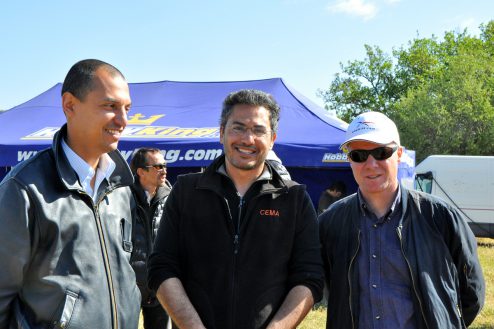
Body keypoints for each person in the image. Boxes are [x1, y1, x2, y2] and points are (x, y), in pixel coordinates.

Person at [148, 89, 324, 329]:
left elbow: (309, 277)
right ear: (222, 133)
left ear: (272, 139)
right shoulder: (186, 191)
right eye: (238, 127)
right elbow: (162, 267)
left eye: (258, 130)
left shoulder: (294, 199)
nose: (247, 139)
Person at [0, 59, 140, 328]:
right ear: (70, 105)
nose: (123, 120)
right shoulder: (24, 189)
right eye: (110, 106)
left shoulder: (121, 186)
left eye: (127, 108)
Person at [319, 111, 485, 329]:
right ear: (349, 159)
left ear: (398, 154)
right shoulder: (330, 222)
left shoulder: (440, 216)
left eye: (381, 152)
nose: (370, 164)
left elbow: (471, 291)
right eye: (359, 155)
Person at [130, 147, 172, 329]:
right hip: (129, 287)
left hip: (160, 285)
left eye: (165, 165)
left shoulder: (172, 198)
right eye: (158, 166)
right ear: (141, 172)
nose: (164, 170)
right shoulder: (123, 198)